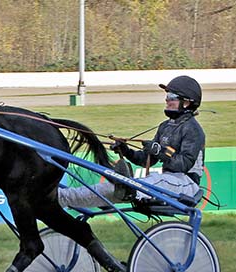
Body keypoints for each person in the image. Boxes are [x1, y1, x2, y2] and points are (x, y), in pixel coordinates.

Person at [58, 75, 205, 209]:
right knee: (126, 184)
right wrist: (126, 150)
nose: (166, 99)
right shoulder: (165, 126)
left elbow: (184, 164)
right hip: (167, 182)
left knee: (150, 181)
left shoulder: (193, 130)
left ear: (186, 103)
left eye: (171, 96)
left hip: (186, 184)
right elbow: (145, 160)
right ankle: (64, 198)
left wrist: (159, 151)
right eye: (166, 95)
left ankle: (127, 189)